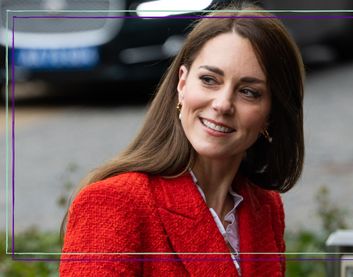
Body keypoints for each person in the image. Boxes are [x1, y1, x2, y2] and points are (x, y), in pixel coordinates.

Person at [59, 3, 304, 276]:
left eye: (248, 92)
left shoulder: (265, 207)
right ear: (182, 84)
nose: (222, 104)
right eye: (209, 80)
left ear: (271, 114)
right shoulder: (113, 202)